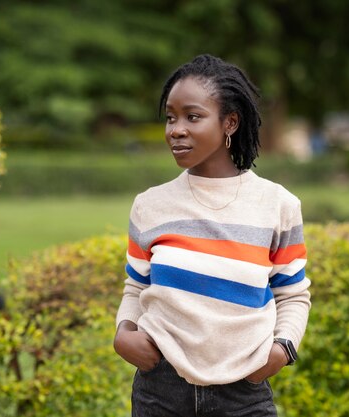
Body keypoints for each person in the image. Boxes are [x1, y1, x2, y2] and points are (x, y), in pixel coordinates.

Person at [114, 54, 311, 416]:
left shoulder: (278, 205)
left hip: (244, 392)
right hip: (161, 389)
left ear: (230, 123)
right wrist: (124, 334)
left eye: (193, 116)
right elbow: (136, 288)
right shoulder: (150, 205)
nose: (176, 129)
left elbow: (293, 294)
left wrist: (281, 351)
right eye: (171, 117)